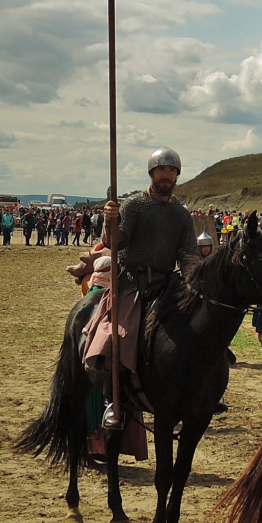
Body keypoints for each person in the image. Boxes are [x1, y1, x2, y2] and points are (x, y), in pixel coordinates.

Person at [83, 147, 201, 430]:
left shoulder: (181, 214)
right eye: (161, 170)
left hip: (167, 283)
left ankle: (200, 392)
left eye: (171, 171)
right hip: (131, 282)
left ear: (177, 176)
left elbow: (188, 256)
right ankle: (113, 399)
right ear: (152, 173)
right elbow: (115, 242)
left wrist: (194, 285)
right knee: (116, 335)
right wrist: (111, 220)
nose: (166, 175)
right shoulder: (135, 205)